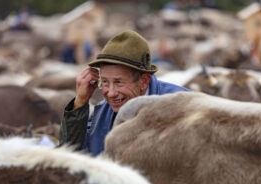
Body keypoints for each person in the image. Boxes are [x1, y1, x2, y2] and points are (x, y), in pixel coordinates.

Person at [59, 30, 189, 156]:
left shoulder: (183, 108)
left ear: (143, 81)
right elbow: (71, 156)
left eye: (118, 82)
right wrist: (80, 102)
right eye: (104, 82)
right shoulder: (101, 113)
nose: (110, 93)